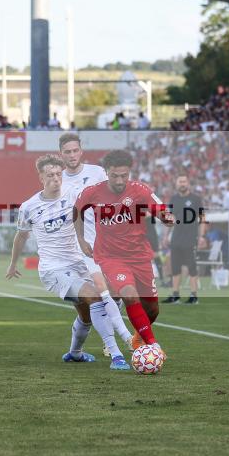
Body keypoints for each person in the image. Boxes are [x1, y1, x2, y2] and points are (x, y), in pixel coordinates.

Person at [7, 154, 130, 370]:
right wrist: (13, 263)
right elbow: (21, 236)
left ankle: (75, 353)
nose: (55, 178)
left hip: (80, 262)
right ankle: (116, 355)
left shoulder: (74, 195)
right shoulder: (29, 207)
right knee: (95, 298)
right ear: (41, 178)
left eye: (58, 174)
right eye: (50, 175)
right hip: (54, 268)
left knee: (89, 313)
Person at [74, 149, 174, 354]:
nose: (119, 180)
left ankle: (140, 335)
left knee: (152, 309)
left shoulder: (140, 190)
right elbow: (76, 212)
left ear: (129, 173)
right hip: (110, 257)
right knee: (129, 294)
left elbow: (161, 209)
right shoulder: (92, 192)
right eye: (114, 175)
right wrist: (81, 239)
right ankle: (153, 346)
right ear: (107, 172)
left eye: (124, 175)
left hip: (139, 255)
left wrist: (166, 218)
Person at [58, 133, 135, 350]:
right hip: (70, 249)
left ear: (81, 151)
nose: (72, 155)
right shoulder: (58, 179)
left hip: (101, 243)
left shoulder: (97, 173)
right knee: (85, 308)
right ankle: (77, 350)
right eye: (67, 151)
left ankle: (113, 342)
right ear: (61, 154)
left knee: (113, 291)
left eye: (75, 150)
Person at [162, 175, 206, 305]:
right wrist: (165, 236)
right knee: (175, 268)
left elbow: (202, 218)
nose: (182, 184)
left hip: (191, 238)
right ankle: (175, 296)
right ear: (176, 184)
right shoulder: (173, 199)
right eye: (180, 181)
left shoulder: (195, 199)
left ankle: (193, 296)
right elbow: (169, 219)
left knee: (192, 268)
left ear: (188, 183)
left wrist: (202, 236)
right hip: (176, 238)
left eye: (184, 181)